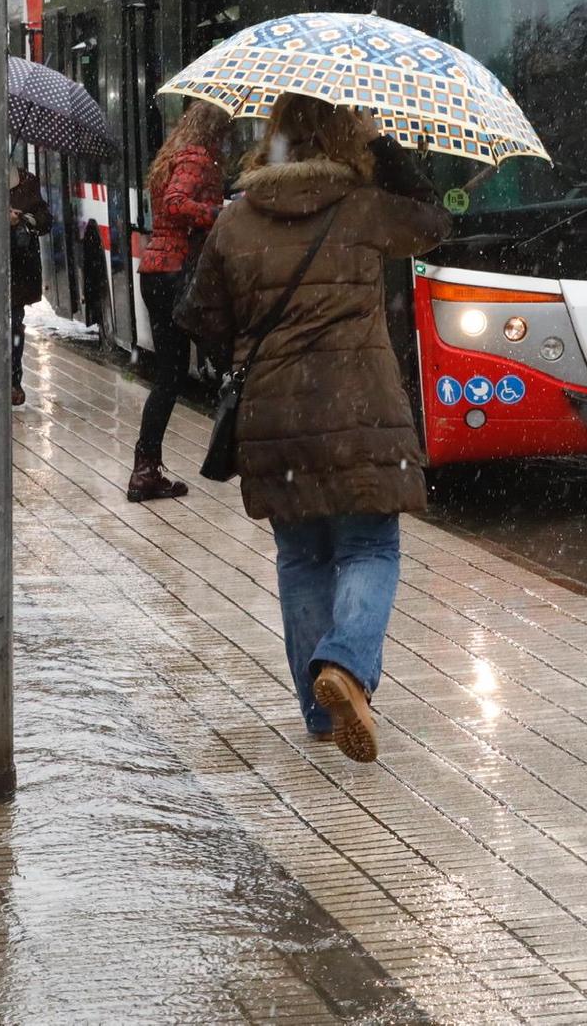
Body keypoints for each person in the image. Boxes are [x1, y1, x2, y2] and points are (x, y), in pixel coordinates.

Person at [178, 94, 449, 763]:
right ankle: (347, 666)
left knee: (301, 557)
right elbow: (435, 222)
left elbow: (201, 318)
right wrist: (384, 144)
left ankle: (320, 713)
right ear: (343, 134)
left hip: (276, 416)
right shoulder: (362, 207)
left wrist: (252, 354)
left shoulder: (236, 220)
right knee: (369, 547)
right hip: (360, 411)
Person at [127, 101, 232, 502]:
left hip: (156, 271)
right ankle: (234, 453)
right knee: (220, 359)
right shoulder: (197, 158)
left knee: (170, 374)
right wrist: (217, 212)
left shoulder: (173, 154)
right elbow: (175, 202)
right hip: (177, 272)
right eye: (224, 135)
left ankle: (146, 466)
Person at [9, 160, 52, 407]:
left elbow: (45, 218)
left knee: (14, 324)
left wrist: (27, 219)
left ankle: (14, 381)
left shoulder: (27, 181)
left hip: (19, 268)